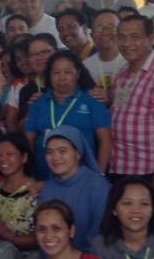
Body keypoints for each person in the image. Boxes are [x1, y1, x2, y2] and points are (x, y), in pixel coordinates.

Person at [110, 15, 154, 207]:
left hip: (148, 169)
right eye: (122, 37)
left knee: (150, 231)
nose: (127, 43)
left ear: (151, 39)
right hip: (120, 164)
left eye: (135, 37)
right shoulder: (123, 72)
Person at [26, 49, 112, 178]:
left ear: (77, 74)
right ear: (49, 75)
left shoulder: (92, 100)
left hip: (83, 178)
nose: (62, 77)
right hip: (44, 178)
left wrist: (99, 175)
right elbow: (28, 141)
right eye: (56, 72)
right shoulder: (39, 103)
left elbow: (105, 140)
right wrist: (29, 175)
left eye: (67, 72)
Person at [39, 126, 111, 252]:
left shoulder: (99, 187)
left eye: (62, 151)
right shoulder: (46, 188)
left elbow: (99, 236)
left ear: (78, 153)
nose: (55, 158)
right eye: (50, 152)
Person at [0, 133, 39, 259]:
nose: (3, 159)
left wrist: (9, 238)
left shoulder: (36, 192)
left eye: (9, 154)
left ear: (24, 157)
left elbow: (39, 238)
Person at [83, 10, 125, 104]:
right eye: (99, 28)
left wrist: (110, 95)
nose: (105, 32)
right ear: (92, 35)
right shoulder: (85, 66)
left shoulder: (131, 62)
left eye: (111, 27)